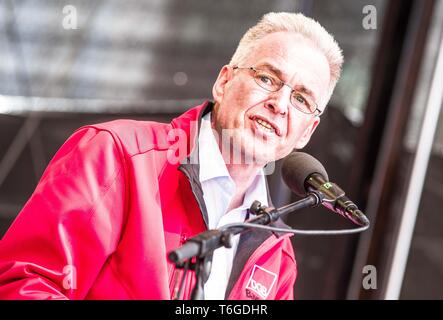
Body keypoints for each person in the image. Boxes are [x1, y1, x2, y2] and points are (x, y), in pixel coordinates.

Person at [0, 12, 343, 300]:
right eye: (268, 78)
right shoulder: (118, 155)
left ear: (308, 131)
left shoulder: (276, 254)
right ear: (223, 82)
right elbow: (25, 283)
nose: (280, 104)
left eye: (300, 99)